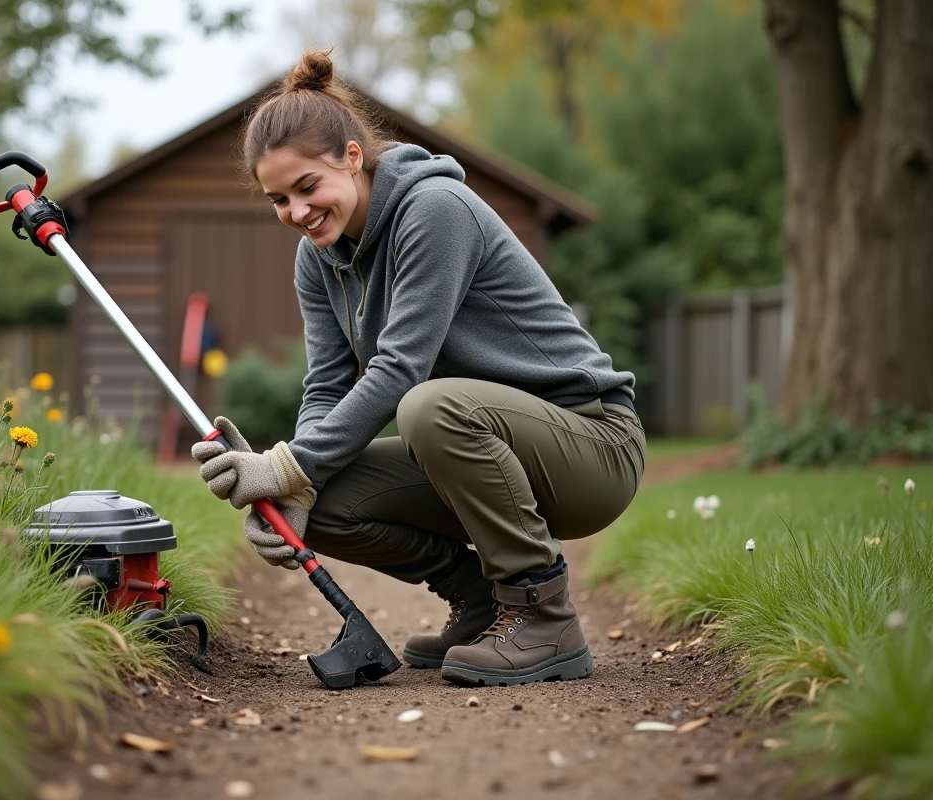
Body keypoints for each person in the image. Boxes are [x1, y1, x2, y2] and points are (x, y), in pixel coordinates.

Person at [191, 50, 645, 687]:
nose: (296, 211)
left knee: (426, 409)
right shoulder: (317, 259)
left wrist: (286, 464)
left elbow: (402, 368)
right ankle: (482, 601)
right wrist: (294, 486)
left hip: (591, 445)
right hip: (489, 449)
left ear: (353, 156)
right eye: (278, 199)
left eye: (307, 187)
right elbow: (327, 384)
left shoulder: (434, 209)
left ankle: (544, 615)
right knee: (323, 499)